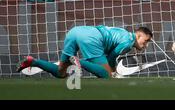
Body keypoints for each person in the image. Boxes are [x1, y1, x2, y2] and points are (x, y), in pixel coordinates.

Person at [17, 25, 153, 78]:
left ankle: (33, 61)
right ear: (138, 35)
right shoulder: (129, 42)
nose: (146, 45)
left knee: (60, 72)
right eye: (146, 41)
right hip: (92, 37)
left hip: (75, 32)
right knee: (106, 75)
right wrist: (113, 72)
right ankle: (78, 62)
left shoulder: (124, 32)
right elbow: (112, 57)